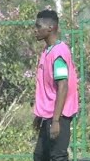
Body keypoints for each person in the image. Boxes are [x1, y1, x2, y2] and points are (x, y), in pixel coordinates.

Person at [32, 9, 79, 161]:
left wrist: (56, 121)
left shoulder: (58, 53)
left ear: (50, 28)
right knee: (40, 155)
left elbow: (63, 86)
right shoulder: (47, 50)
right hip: (49, 115)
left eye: (38, 26)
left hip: (59, 115)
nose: (35, 30)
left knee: (58, 156)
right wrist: (40, 117)